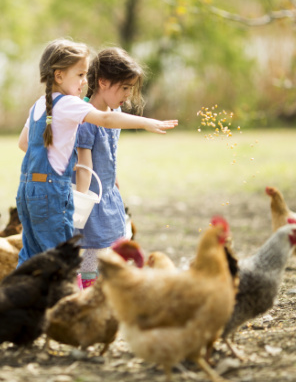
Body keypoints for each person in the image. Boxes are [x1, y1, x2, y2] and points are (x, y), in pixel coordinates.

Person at [16, 38, 177, 267]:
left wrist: (59, 160)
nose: (85, 80)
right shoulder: (70, 104)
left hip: (28, 190)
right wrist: (145, 122)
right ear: (59, 76)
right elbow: (105, 119)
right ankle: (71, 295)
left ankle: (18, 295)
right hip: (52, 193)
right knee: (62, 261)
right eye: (80, 75)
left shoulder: (40, 103)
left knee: (31, 255)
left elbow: (24, 144)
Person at [73, 47, 144, 288]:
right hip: (91, 200)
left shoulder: (116, 113)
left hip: (109, 194)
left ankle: (107, 294)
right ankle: (87, 295)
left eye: (130, 89)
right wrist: (79, 208)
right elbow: (84, 167)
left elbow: (109, 153)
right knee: (91, 253)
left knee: (113, 249)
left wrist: (113, 179)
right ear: (103, 82)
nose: (128, 94)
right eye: (124, 88)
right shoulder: (86, 120)